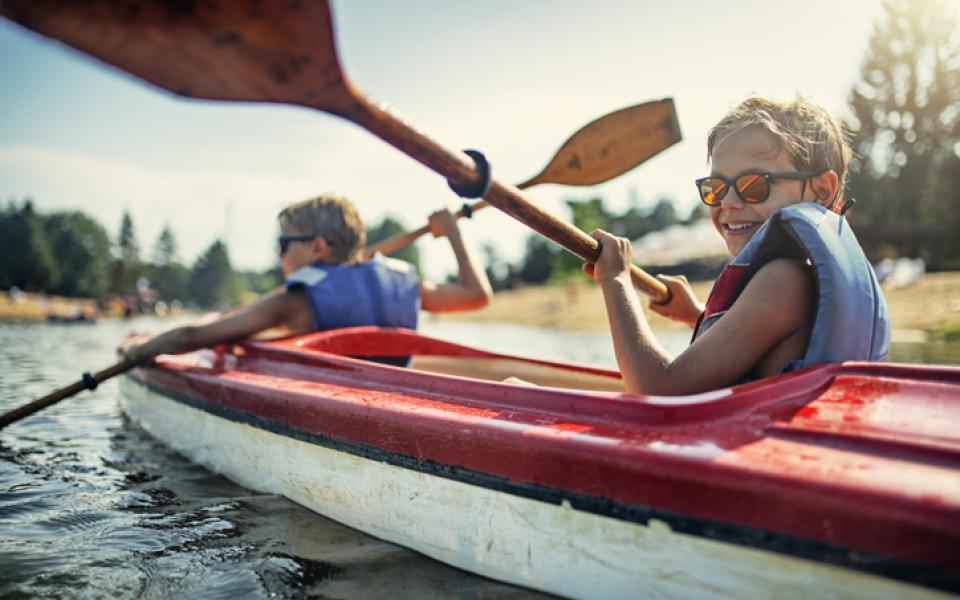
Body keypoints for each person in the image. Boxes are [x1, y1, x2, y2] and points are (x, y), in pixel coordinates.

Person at [583, 96, 890, 395]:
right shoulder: (795, 281)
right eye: (715, 189)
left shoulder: (784, 280)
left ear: (821, 190)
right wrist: (697, 315)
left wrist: (615, 278)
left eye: (754, 185)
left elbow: (657, 388)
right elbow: (764, 343)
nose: (728, 203)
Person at [123, 194, 492, 363]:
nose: (279, 254)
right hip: (398, 398)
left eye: (283, 243)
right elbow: (477, 296)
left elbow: (193, 337)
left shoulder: (292, 301)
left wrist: (138, 349)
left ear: (317, 247)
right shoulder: (403, 284)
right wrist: (454, 235)